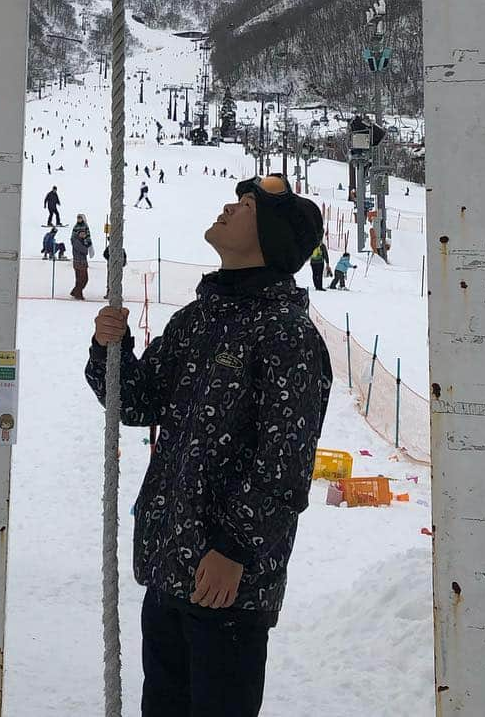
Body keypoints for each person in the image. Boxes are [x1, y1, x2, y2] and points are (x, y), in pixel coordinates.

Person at [85, 176, 331, 716]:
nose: (228, 206)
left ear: (270, 236)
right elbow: (136, 403)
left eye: (246, 206)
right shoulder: (197, 320)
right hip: (170, 565)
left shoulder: (287, 335)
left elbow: (285, 462)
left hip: (228, 584)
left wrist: (235, 548)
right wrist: (112, 350)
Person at [70, 215, 93, 299]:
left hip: (82, 262)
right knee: (82, 279)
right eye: (82, 233)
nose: (84, 234)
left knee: (82, 279)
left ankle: (75, 292)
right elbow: (84, 250)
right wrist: (85, 246)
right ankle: (78, 293)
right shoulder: (76, 241)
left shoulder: (83, 239)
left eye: (84, 233)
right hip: (78, 262)